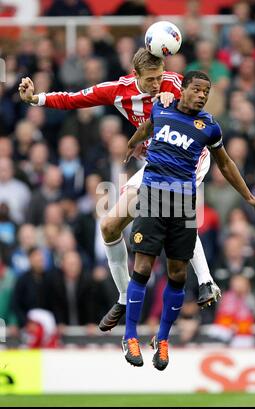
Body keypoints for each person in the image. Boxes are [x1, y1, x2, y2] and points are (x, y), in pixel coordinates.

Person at [18, 48, 219, 332]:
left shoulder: (174, 84)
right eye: (150, 79)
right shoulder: (118, 91)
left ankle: (206, 281)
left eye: (159, 77)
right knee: (110, 226)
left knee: (177, 209)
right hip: (155, 165)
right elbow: (75, 99)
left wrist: (173, 101)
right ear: (135, 75)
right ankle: (125, 297)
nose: (156, 84)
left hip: (191, 159)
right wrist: (35, 99)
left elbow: (202, 115)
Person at [122, 70, 255, 369]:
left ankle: (162, 341)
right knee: (142, 267)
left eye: (207, 91)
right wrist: (132, 145)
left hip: (184, 205)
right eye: (198, 89)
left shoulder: (210, 127)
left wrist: (248, 196)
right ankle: (130, 336)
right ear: (184, 89)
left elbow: (225, 164)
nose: (203, 95)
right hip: (152, 196)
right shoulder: (162, 107)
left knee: (177, 275)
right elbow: (146, 128)